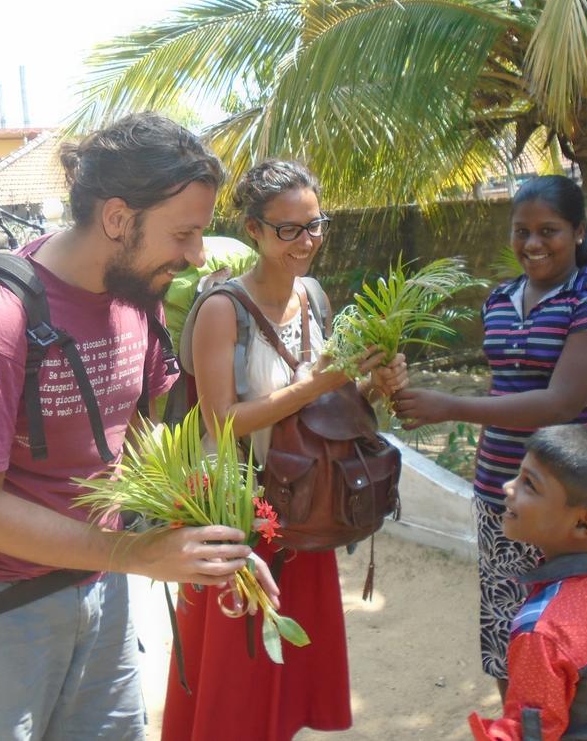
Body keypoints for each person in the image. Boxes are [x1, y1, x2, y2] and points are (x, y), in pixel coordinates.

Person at [0, 112, 279, 741]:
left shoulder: (137, 299)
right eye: (184, 234)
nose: (195, 257)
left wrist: (223, 543)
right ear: (116, 218)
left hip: (102, 590)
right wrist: (136, 554)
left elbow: (143, 446)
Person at [161, 159, 408, 741]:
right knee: (237, 674)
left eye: (315, 225)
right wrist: (318, 383)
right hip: (240, 514)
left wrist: (376, 384)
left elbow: (327, 408)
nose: (306, 242)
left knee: (289, 674)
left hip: (305, 507)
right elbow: (222, 423)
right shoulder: (223, 310)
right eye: (288, 229)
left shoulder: (316, 298)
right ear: (253, 230)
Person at [393, 174, 587, 693]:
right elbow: (508, 385)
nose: (532, 244)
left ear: (578, 232)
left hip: (576, 502)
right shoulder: (501, 300)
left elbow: (562, 404)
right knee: (512, 634)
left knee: (584, 647)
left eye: (547, 230)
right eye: (521, 231)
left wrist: (448, 407)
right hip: (503, 493)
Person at [467, 425, 587, 740]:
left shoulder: (542, 632)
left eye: (530, 484)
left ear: (584, 522)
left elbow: (531, 732)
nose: (507, 487)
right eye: (518, 475)